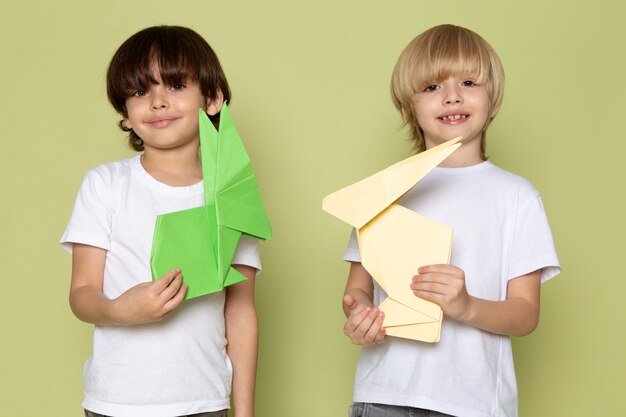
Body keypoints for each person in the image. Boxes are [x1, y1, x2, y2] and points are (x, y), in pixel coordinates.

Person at [341, 24, 561, 417]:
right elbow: (358, 289)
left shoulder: (516, 197)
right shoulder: (385, 192)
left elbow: (526, 313)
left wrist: (466, 306)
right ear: (410, 107)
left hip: (471, 405)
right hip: (383, 396)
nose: (452, 96)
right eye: (431, 87)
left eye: (469, 81)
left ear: (493, 101)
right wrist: (360, 315)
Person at [60, 26, 261, 417]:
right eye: (140, 91)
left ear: (213, 98)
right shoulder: (105, 184)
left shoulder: (233, 194)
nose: (157, 102)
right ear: (125, 111)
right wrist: (120, 310)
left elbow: (241, 312)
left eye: (175, 86)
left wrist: (245, 412)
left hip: (204, 400)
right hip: (116, 402)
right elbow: (82, 293)